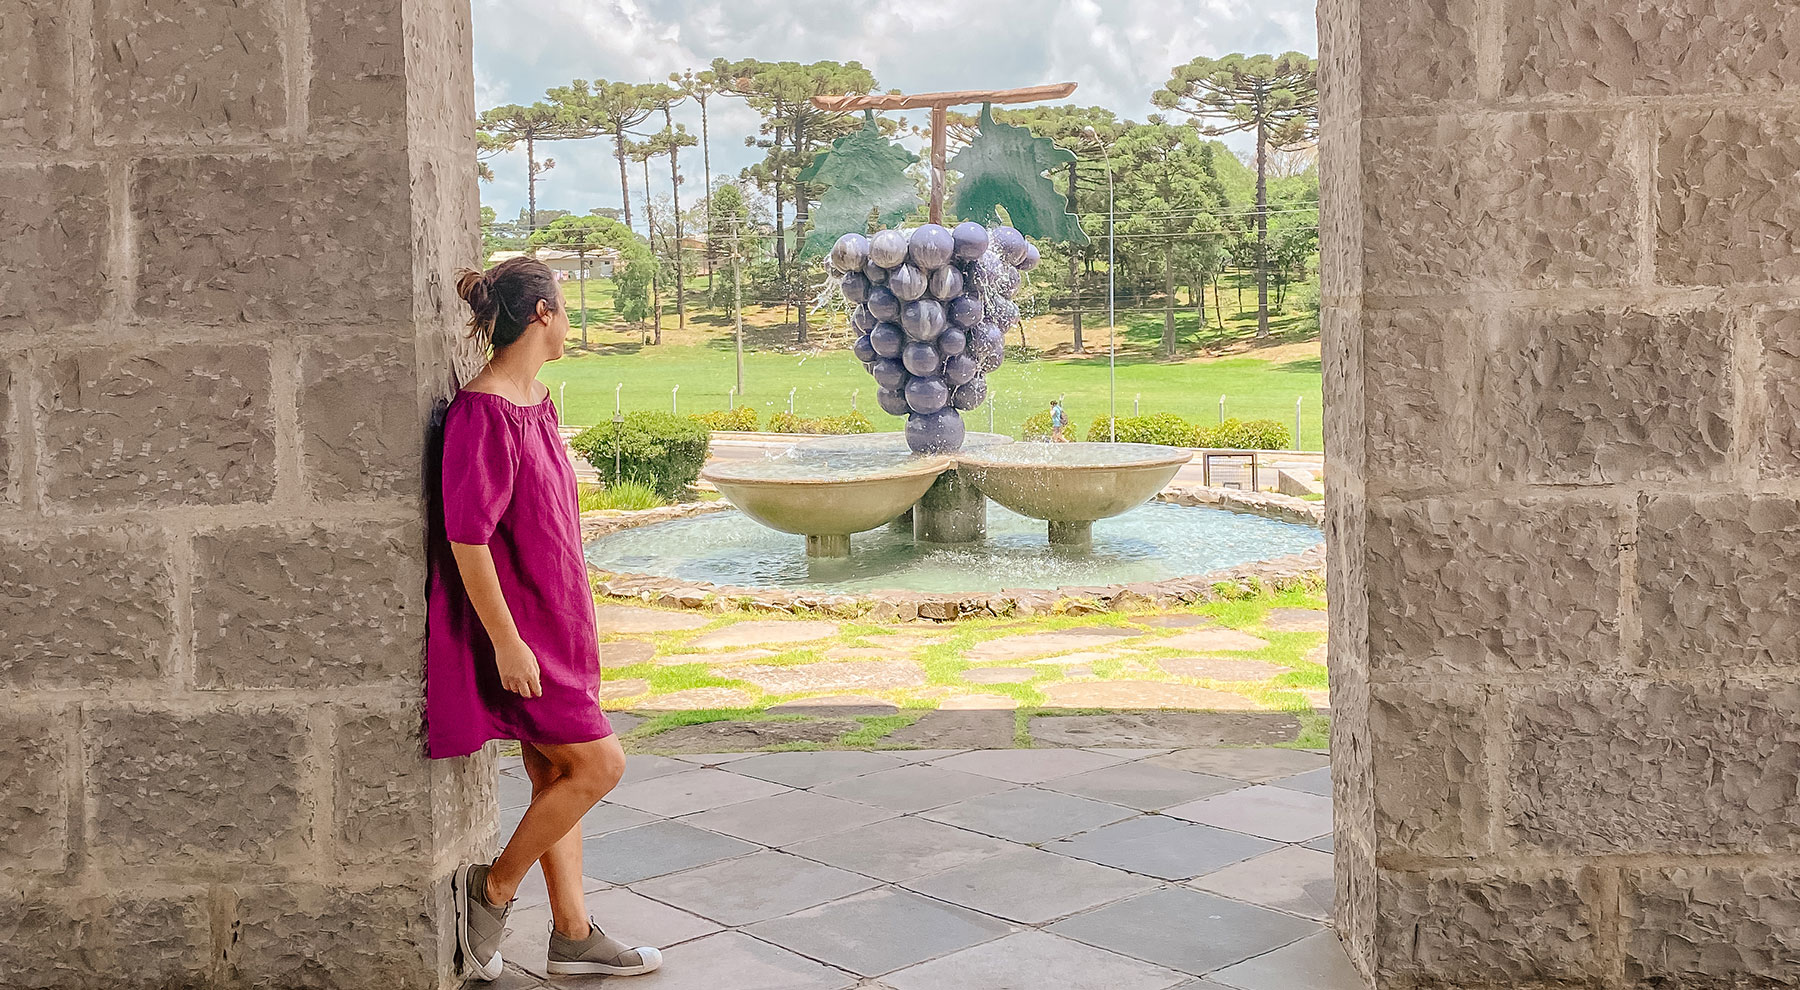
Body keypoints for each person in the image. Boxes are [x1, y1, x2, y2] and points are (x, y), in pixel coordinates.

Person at [428, 257, 662, 981]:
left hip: (563, 621)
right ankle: (492, 889)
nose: (569, 320)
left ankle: (572, 935)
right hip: (525, 635)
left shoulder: (536, 399)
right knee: (600, 765)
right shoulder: (483, 411)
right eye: (565, 307)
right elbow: (466, 536)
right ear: (541, 315)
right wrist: (506, 644)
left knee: (556, 773)